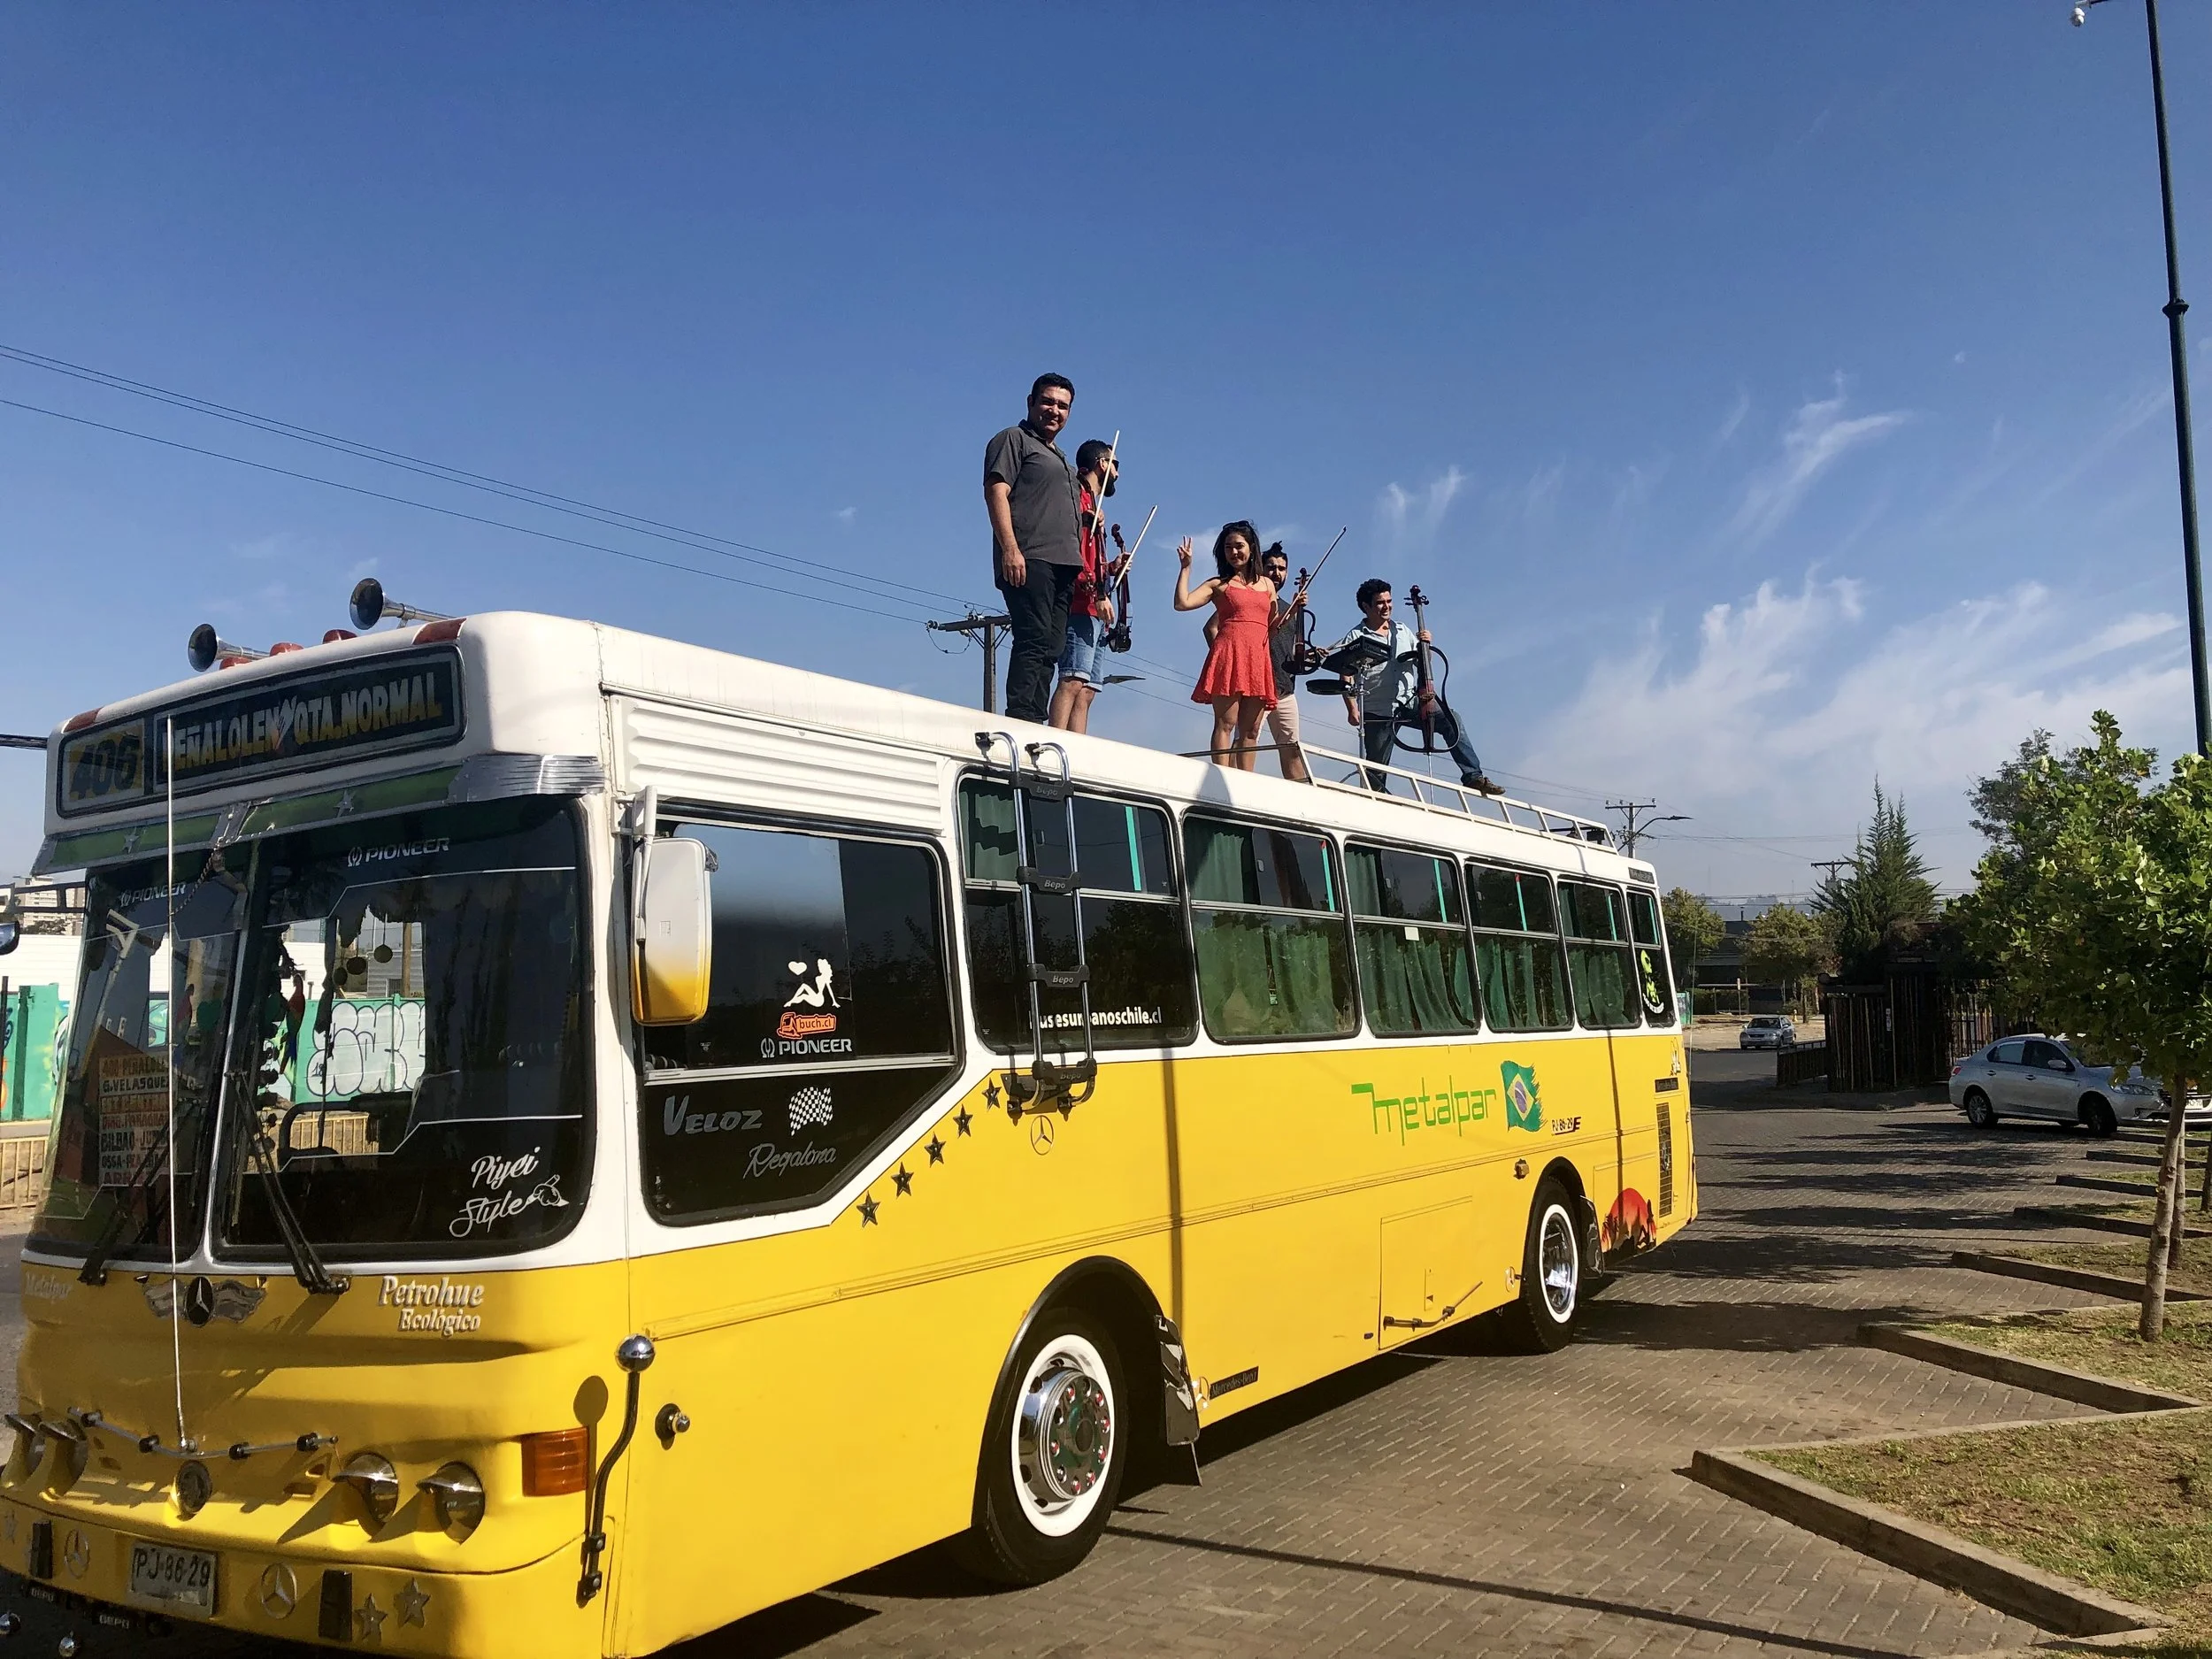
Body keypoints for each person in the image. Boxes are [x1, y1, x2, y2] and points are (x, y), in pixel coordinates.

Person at [1324, 578, 1500, 795]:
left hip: (1408, 700)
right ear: (1366, 607)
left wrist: (1426, 644)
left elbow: (1423, 662)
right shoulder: (1356, 635)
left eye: (1389, 601)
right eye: (1380, 603)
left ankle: (1473, 776)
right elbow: (1346, 676)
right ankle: (1378, 802)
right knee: (1376, 768)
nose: (1387, 606)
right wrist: (1352, 709)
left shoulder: (1403, 630)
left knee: (1451, 719)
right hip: (1377, 708)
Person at [984, 374, 1083, 723]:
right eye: (1048, 402)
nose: (1054, 410)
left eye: (1062, 405)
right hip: (1031, 556)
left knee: (1053, 646)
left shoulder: (1062, 459)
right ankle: (1022, 717)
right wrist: (1010, 549)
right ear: (1030, 402)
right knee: (1034, 637)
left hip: (1065, 564)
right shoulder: (1013, 439)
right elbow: (997, 492)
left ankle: (1035, 718)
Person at [1175, 521, 1278, 770]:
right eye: (1228, 547)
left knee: (1251, 729)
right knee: (1226, 723)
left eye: (1239, 546)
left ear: (1252, 548)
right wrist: (1186, 568)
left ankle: (1247, 782)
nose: (1234, 552)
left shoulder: (1267, 584)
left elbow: (1272, 623)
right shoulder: (1218, 584)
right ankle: (1221, 778)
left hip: (1257, 658)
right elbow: (1182, 603)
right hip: (1229, 654)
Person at [1048, 439, 1131, 733]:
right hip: (1082, 604)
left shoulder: (1093, 506)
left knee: (1087, 689)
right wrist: (1096, 593)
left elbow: (1090, 559)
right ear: (1102, 463)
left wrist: (1111, 568)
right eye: (1115, 464)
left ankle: (1077, 752)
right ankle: (1054, 744)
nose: (1118, 474)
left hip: (1094, 608)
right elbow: (1076, 557)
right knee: (1072, 679)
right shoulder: (1080, 501)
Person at [1257, 544, 1312, 782]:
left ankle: (1301, 799)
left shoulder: (1289, 608)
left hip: (1285, 688)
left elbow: (1288, 648)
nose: (1276, 573)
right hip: (1257, 686)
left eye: (1281, 568)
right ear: (1260, 568)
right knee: (1245, 742)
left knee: (1292, 749)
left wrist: (1308, 656)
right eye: (1271, 567)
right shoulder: (1255, 600)